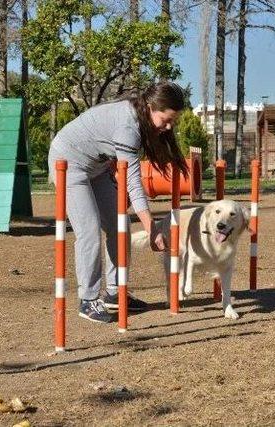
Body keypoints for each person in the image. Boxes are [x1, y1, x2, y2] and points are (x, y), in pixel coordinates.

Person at [48, 82, 188, 323]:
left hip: (97, 167)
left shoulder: (141, 117)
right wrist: (152, 229)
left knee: (118, 226)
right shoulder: (128, 127)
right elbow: (134, 184)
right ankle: (88, 299)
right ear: (151, 106)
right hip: (67, 162)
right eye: (166, 120)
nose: (168, 127)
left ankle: (115, 292)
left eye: (172, 122)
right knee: (89, 230)